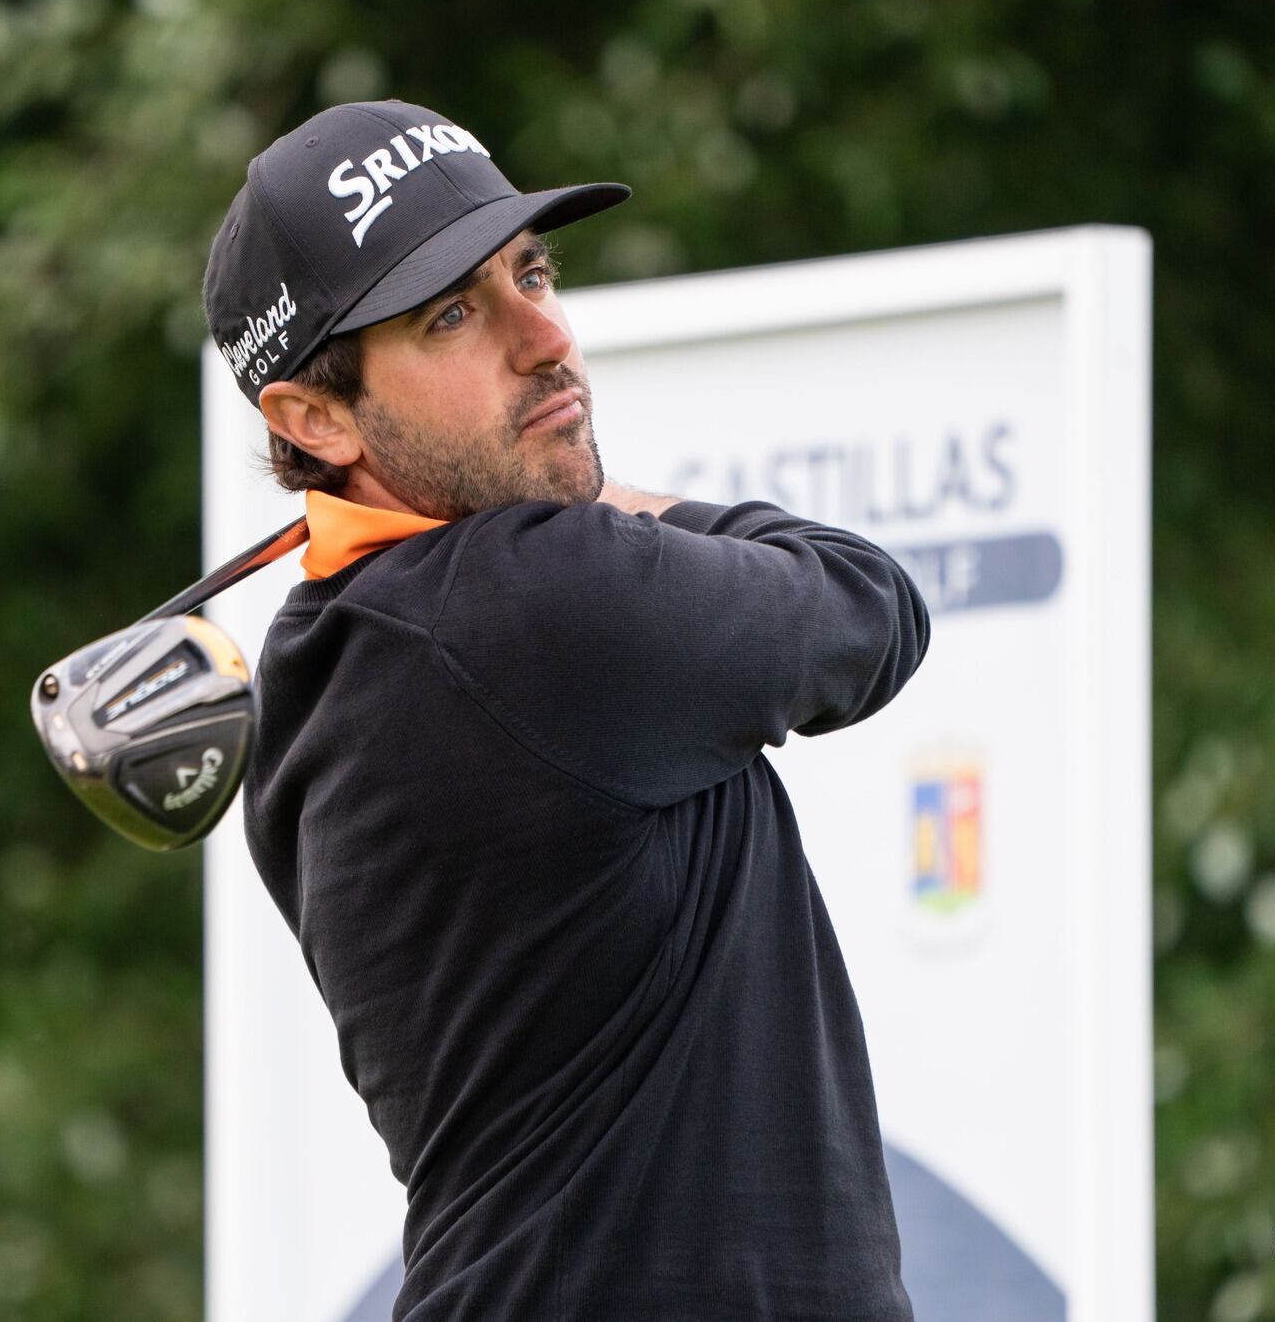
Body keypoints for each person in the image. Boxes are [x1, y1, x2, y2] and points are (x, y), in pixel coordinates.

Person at [203, 98, 928, 1321]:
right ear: (314, 418)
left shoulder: (315, 667)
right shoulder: (529, 601)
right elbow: (866, 606)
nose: (542, 337)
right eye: (452, 314)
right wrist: (616, 511)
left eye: (530, 272)